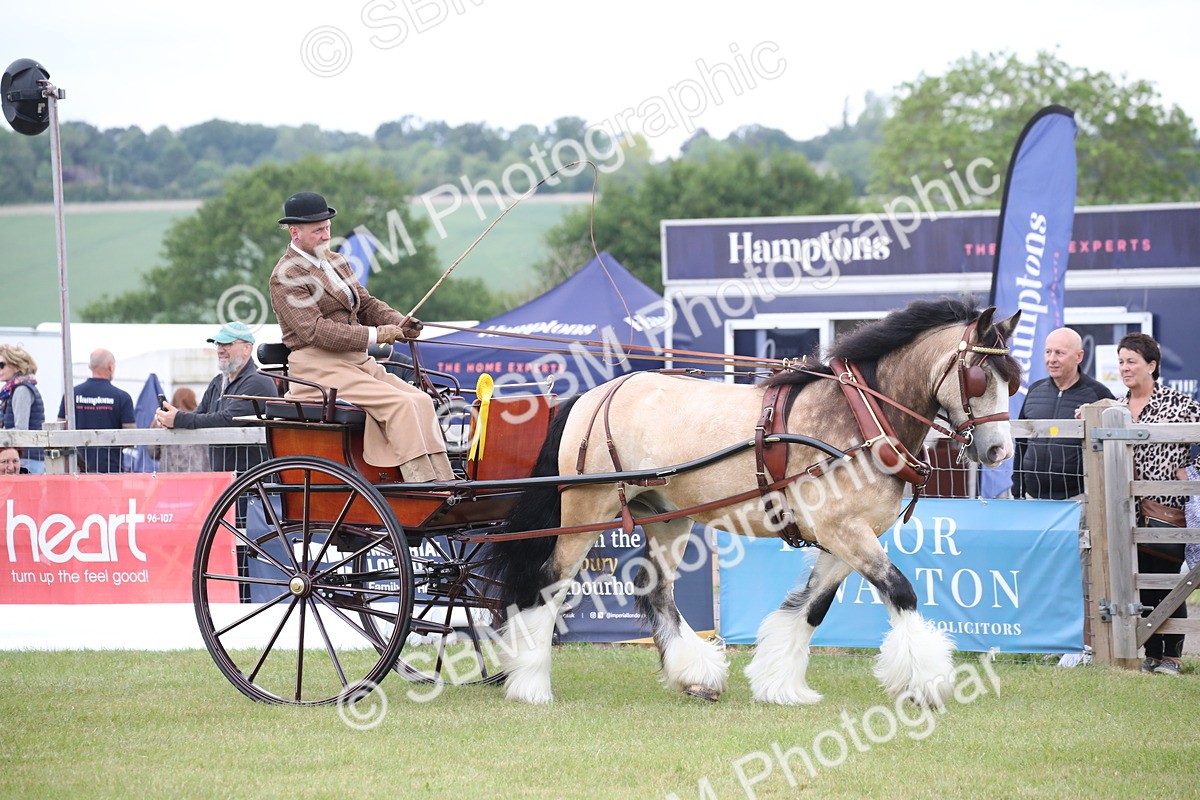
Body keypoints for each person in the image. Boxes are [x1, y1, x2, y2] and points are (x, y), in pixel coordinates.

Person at [267, 191, 453, 482]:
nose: (325, 235)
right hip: (319, 368)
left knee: (421, 400)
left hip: (356, 363)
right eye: (317, 230)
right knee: (400, 405)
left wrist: (399, 323)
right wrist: (376, 334)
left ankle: (444, 478)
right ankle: (422, 483)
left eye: (327, 227)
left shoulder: (337, 261)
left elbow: (365, 304)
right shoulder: (285, 277)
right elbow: (315, 331)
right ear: (295, 232)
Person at [1115, 332, 1200, 676]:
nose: (1124, 368)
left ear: (1152, 365)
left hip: (1166, 512)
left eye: (1131, 361)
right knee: (1140, 583)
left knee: (1167, 582)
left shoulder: (1181, 405)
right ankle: (1151, 654)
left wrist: (1192, 475)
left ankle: (1173, 658)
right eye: (1120, 362)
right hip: (1124, 512)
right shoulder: (1115, 408)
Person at [154, 322, 278, 473]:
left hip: (254, 482)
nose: (220, 349)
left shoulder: (259, 381)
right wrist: (171, 420)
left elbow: (228, 419)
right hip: (227, 479)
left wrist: (179, 418)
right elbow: (198, 415)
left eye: (227, 344)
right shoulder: (218, 382)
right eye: (218, 344)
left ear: (247, 348)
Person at [1012, 328, 1115, 499]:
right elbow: (1021, 443)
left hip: (1078, 499)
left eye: (1060, 353)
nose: (1052, 359)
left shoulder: (1098, 394)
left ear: (1079, 356)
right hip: (1031, 498)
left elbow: (1110, 449)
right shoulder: (1034, 390)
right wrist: (1018, 490)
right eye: (1048, 352)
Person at [57, 349, 135, 473]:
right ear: (111, 366)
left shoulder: (72, 394)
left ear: (90, 367)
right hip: (110, 469)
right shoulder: (122, 397)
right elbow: (130, 438)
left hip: (76, 468)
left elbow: (59, 430)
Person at [0, 345, 46, 474]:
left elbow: (21, 429)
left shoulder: (21, 390)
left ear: (15, 366)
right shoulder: (14, 390)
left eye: (2, 365)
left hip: (27, 459)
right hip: (23, 457)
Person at [149, 387, 210, 472]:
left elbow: (152, 452)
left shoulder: (164, 419)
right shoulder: (202, 419)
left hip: (170, 473)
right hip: (201, 473)